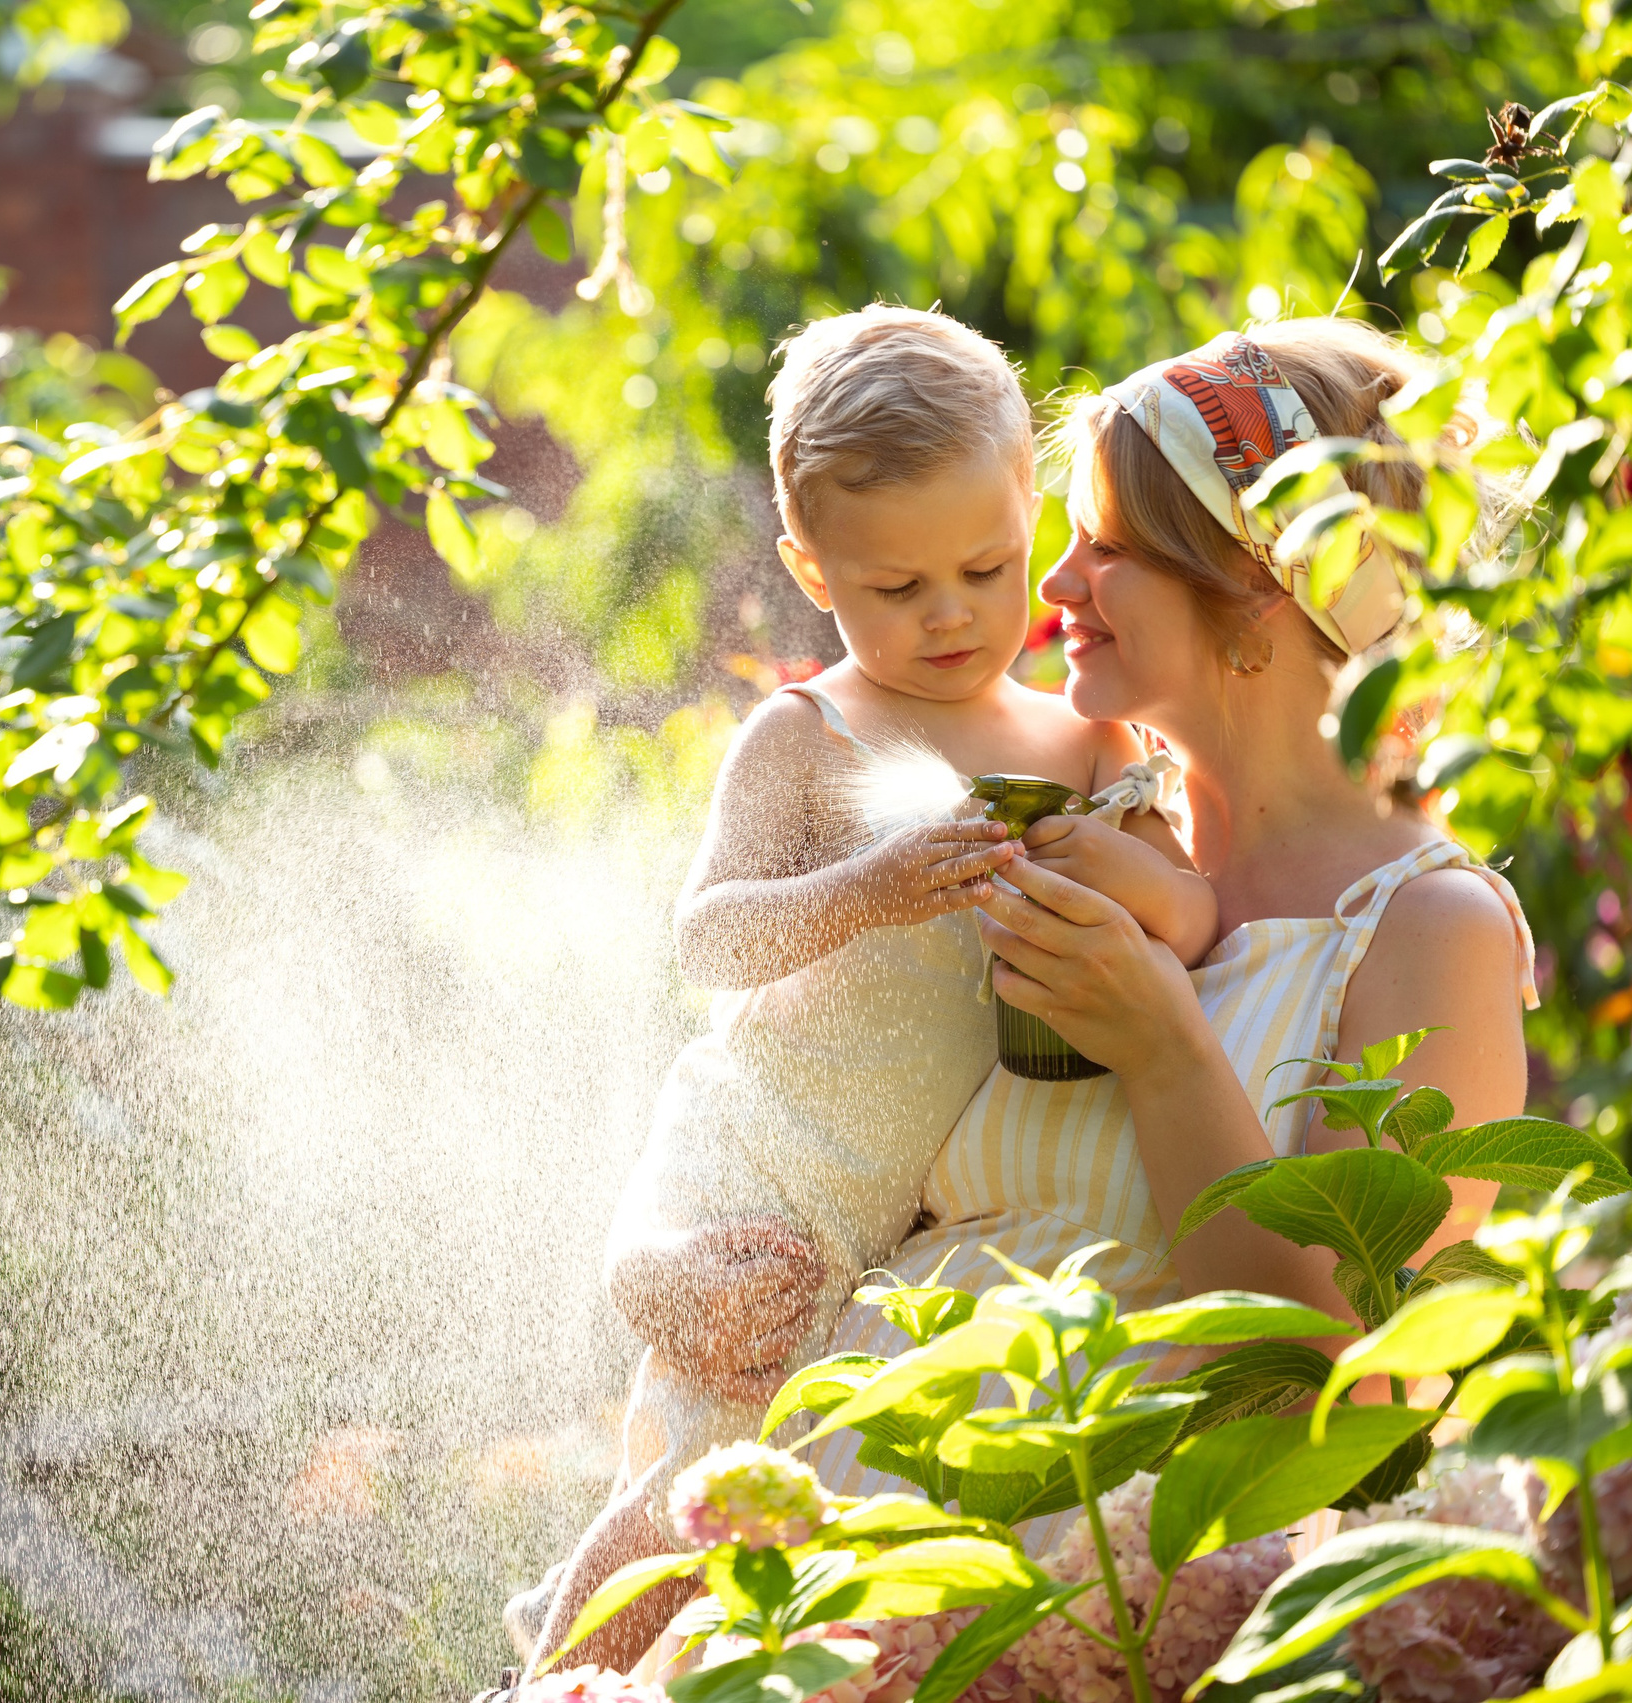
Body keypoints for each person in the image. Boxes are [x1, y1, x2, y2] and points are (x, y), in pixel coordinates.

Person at [633, 317, 1538, 1517]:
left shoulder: (1426, 928)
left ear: (1257, 586)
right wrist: (686, 1268)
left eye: (1103, 545)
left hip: (1108, 1577)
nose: (1052, 585)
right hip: (849, 1533)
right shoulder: (1088, 832)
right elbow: (834, 1101)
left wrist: (1163, 1048)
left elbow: (1346, 1390)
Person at [510, 305, 1219, 1674]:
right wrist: (867, 889)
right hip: (769, 1161)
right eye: (895, 587)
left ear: (1030, 518)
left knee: (808, 1501)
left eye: (985, 567)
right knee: (700, 1479)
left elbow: (1187, 912)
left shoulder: (1083, 741)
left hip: (907, 1218)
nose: (948, 612)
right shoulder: (808, 733)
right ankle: (547, 1680)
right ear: (811, 568)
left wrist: (1106, 861)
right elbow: (709, 937)